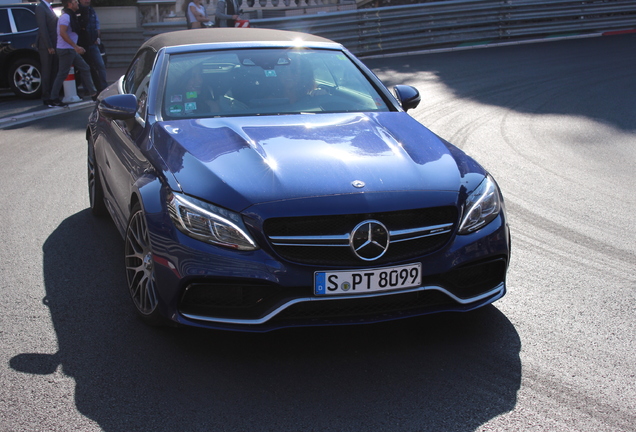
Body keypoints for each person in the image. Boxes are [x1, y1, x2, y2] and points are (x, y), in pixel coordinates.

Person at [48, 0, 97, 107]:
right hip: (66, 50)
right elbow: (62, 33)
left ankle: (93, 93)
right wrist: (75, 46)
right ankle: (53, 98)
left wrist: (75, 46)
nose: (77, 4)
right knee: (62, 73)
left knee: (85, 68)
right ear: (70, 4)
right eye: (75, 2)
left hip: (70, 49)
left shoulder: (71, 16)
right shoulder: (66, 16)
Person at [77, 0, 108, 92]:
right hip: (83, 44)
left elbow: (96, 25)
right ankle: (88, 88)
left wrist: (97, 37)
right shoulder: (78, 11)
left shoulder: (91, 10)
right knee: (85, 67)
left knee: (100, 65)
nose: (87, 1)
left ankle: (104, 86)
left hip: (93, 44)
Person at [35, 0, 59, 106]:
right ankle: (46, 96)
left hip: (54, 43)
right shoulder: (40, 7)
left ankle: (53, 96)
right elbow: (43, 28)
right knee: (47, 71)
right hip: (46, 46)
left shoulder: (49, 7)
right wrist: (49, 45)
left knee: (54, 70)